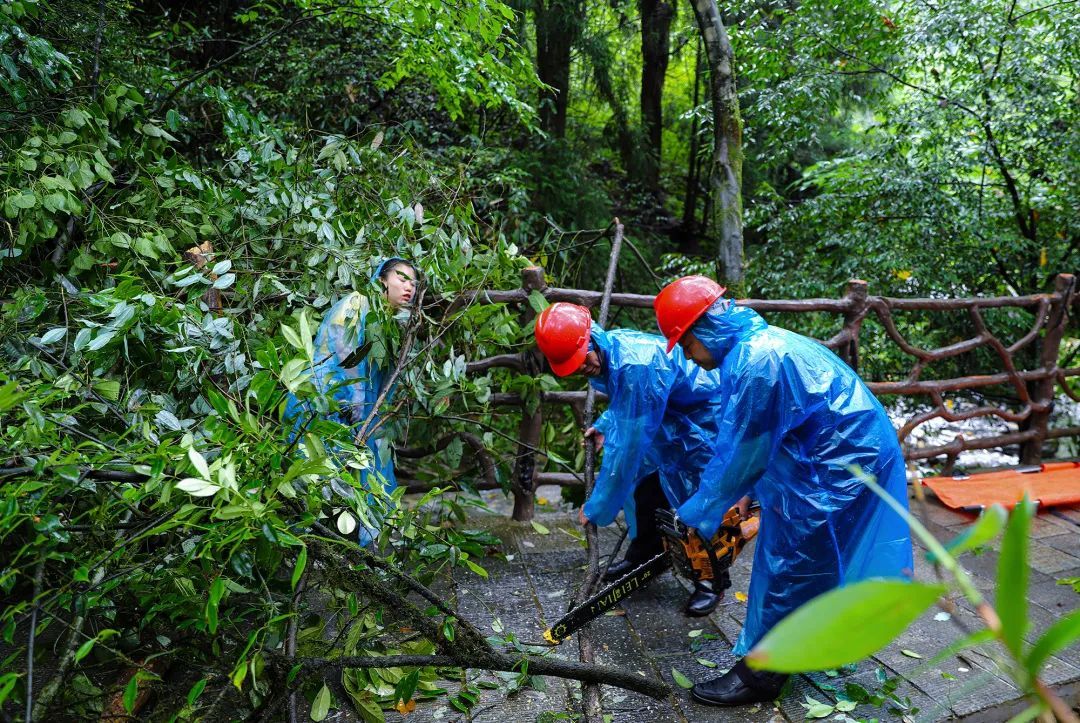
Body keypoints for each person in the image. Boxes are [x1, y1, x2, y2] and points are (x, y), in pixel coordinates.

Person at [653, 276, 913, 707]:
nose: (687, 356)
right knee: (812, 557)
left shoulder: (756, 362)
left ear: (704, 328)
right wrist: (744, 494)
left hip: (840, 465)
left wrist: (698, 511)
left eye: (686, 344)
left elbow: (741, 455)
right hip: (842, 454)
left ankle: (762, 674)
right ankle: (806, 642)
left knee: (793, 563)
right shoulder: (755, 347)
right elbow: (763, 435)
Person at [534, 302, 744, 615]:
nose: (581, 367)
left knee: (699, 502)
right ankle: (644, 553)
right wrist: (606, 424)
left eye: (582, 357)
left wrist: (598, 507)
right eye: (572, 364)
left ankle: (711, 580)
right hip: (670, 422)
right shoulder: (612, 351)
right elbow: (627, 404)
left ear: (592, 338)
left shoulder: (635, 364)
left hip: (704, 421)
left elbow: (626, 450)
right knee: (646, 490)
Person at [284, 257, 416, 545]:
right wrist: (355, 397)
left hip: (354, 408)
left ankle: (351, 542)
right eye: (402, 278)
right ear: (382, 280)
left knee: (354, 473)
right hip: (323, 400)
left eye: (413, 283)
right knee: (319, 472)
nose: (409, 287)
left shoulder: (395, 321)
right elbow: (341, 343)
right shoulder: (359, 302)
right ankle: (311, 542)